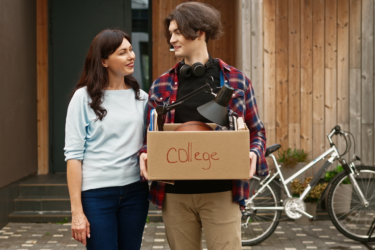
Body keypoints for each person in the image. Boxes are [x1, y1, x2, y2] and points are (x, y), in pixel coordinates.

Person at [139, 2, 268, 250]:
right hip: (175, 196)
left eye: (177, 32)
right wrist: (145, 153)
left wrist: (254, 152)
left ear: (199, 32)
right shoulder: (161, 85)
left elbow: (256, 131)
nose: (172, 38)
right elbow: (150, 137)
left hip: (222, 193)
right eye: (171, 32)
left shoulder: (236, 81)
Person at [64, 29, 149, 250]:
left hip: (135, 193)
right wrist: (77, 212)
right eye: (122, 52)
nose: (131, 56)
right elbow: (73, 156)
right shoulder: (83, 98)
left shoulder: (142, 97)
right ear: (104, 61)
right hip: (96, 195)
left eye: (131, 50)